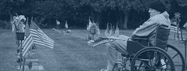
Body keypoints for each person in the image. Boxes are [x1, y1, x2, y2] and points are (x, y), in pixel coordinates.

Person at [89, 0, 171, 71]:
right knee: (119, 36)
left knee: (110, 42)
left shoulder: (156, 19)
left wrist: (134, 34)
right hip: (150, 47)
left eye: (151, 9)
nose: (149, 11)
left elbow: (137, 33)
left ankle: (110, 68)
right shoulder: (166, 19)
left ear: (158, 10)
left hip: (142, 48)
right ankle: (123, 66)